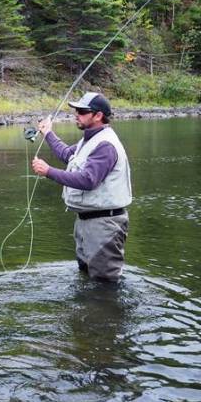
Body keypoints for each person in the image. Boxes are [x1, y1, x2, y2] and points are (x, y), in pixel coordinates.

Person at [31, 92, 132, 282]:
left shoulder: (105, 145)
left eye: (82, 111)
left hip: (104, 226)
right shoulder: (88, 140)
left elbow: (88, 180)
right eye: (76, 110)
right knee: (87, 279)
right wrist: (48, 133)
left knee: (104, 284)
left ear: (98, 115)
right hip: (87, 223)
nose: (76, 114)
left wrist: (48, 171)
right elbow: (66, 154)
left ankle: (107, 312)